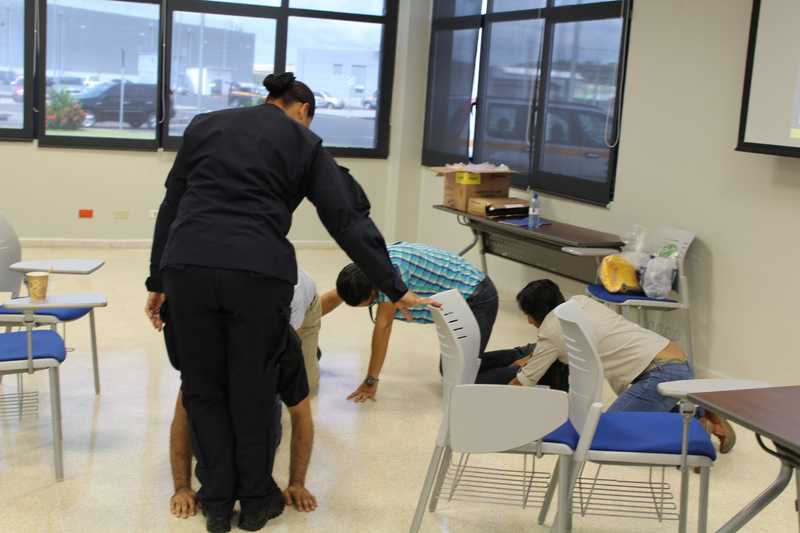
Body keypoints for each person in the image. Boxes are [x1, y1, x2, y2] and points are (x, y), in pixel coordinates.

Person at [144, 72, 433, 533]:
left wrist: (157, 279)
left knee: (202, 388)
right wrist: (393, 287)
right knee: (255, 391)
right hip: (258, 273)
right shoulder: (303, 141)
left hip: (188, 267)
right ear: (303, 110)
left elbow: (172, 204)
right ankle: (256, 503)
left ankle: (216, 502)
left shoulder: (204, 125)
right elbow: (345, 217)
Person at [166, 266, 322, 520]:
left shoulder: (283, 337)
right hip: (234, 335)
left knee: (272, 418)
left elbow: (301, 414)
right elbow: (183, 412)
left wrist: (297, 483)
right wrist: (182, 487)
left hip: (299, 315)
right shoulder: (208, 337)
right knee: (210, 430)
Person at [510, 279, 736, 452]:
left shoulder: (550, 331)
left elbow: (524, 382)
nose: (528, 321)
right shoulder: (581, 302)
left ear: (534, 314)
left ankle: (695, 424)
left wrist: (498, 401)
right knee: (636, 416)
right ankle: (702, 412)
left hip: (659, 374)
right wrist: (536, 358)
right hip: (674, 360)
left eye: (528, 315)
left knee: (608, 431)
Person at [322, 242, 498, 403]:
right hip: (465, 293)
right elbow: (332, 297)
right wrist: (306, 321)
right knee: (454, 368)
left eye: (370, 303)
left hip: (477, 298)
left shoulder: (393, 273)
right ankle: (512, 359)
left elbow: (383, 326)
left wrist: (370, 381)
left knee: (461, 378)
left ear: (374, 291)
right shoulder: (364, 271)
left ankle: (515, 371)